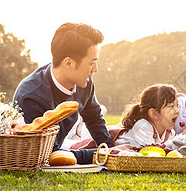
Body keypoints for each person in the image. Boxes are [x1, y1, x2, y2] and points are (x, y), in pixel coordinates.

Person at [14, 22, 129, 164]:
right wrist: (105, 154)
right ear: (68, 63)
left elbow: (94, 119)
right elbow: (51, 154)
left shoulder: (84, 83)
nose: (95, 69)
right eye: (92, 62)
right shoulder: (32, 96)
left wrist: (110, 149)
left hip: (57, 150)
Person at [114, 84, 179, 146]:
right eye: (171, 106)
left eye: (177, 105)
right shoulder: (143, 127)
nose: (177, 111)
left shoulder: (170, 132)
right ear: (154, 114)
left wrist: (180, 140)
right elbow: (151, 153)